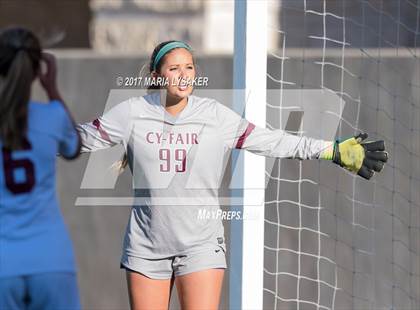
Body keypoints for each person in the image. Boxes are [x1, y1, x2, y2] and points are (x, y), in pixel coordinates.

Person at [76, 40, 388, 309]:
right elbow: (77, 139)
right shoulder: (131, 112)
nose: (183, 75)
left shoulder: (214, 115)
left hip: (201, 246)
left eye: (189, 67)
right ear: (158, 76)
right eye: (174, 69)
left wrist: (331, 150)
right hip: (145, 249)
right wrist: (32, 133)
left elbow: (272, 140)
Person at [0, 27, 81, 309]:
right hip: (51, 260)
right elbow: (74, 147)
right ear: (37, 70)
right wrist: (53, 90)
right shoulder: (52, 116)